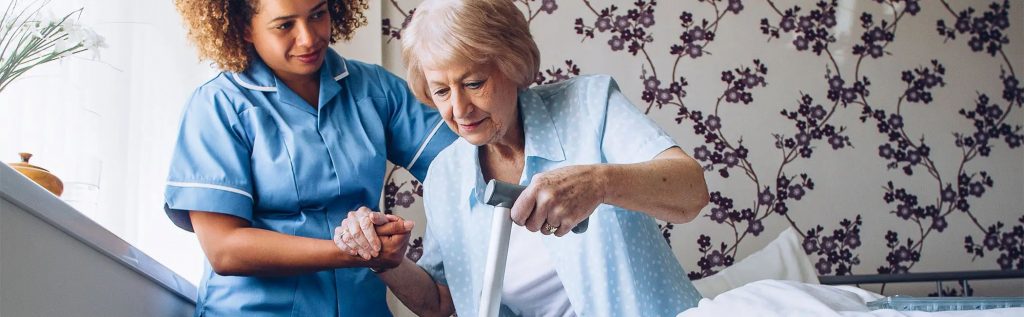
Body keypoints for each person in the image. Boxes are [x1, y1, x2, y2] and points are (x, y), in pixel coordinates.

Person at [335, 0, 711, 316]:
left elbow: (691, 192)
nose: (459, 109)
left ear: (512, 63)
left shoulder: (591, 105)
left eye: (473, 83)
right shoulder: (445, 175)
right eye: (441, 92)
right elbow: (442, 301)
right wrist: (386, 260)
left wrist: (599, 184)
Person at [163, 0, 456, 315]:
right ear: (244, 26)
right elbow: (224, 250)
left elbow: (464, 166)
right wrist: (355, 251)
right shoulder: (217, 106)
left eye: (318, 14)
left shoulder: (376, 89)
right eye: (285, 25)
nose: (308, 37)